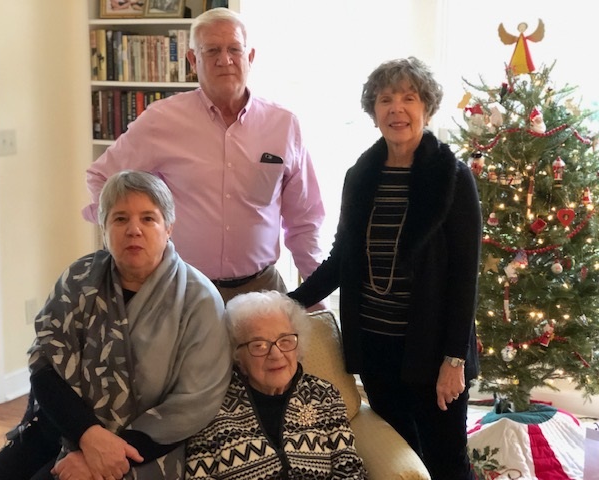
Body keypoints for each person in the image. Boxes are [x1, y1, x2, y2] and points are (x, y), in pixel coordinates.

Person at [288, 57, 482, 480]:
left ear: (426, 108)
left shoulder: (452, 176)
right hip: (376, 347)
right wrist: (286, 302)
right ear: (373, 112)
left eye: (408, 98)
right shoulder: (360, 176)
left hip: (434, 352)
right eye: (385, 99)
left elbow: (465, 274)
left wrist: (454, 361)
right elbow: (341, 258)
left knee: (447, 460)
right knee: (400, 456)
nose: (397, 109)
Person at [0, 170, 232, 480]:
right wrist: (88, 437)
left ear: (169, 228)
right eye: (120, 219)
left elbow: (195, 402)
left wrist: (103, 455)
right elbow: (44, 366)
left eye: (148, 219)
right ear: (104, 228)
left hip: (143, 448)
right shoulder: (79, 279)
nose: (134, 230)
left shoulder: (199, 300)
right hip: (61, 427)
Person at [82, 7, 326, 305]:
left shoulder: (284, 125)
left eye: (234, 49)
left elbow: (305, 220)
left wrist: (317, 294)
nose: (225, 60)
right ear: (192, 60)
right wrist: (122, 236)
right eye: (212, 50)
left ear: (250, 57)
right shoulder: (162, 121)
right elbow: (101, 177)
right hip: (184, 290)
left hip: (263, 290)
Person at [185, 290, 368, 479]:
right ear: (237, 355)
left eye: (285, 340)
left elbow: (350, 468)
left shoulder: (323, 395)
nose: (276, 354)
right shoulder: (211, 405)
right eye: (259, 345)